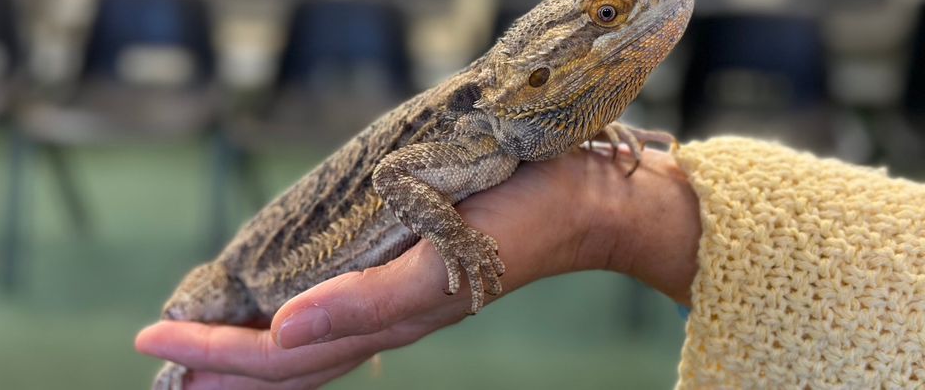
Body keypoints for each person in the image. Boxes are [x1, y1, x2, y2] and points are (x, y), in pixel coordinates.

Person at [135, 136, 925, 388]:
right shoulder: (484, 123)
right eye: (606, 17)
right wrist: (460, 237)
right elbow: (391, 175)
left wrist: (602, 198)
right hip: (255, 271)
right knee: (188, 322)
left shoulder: (526, 127)